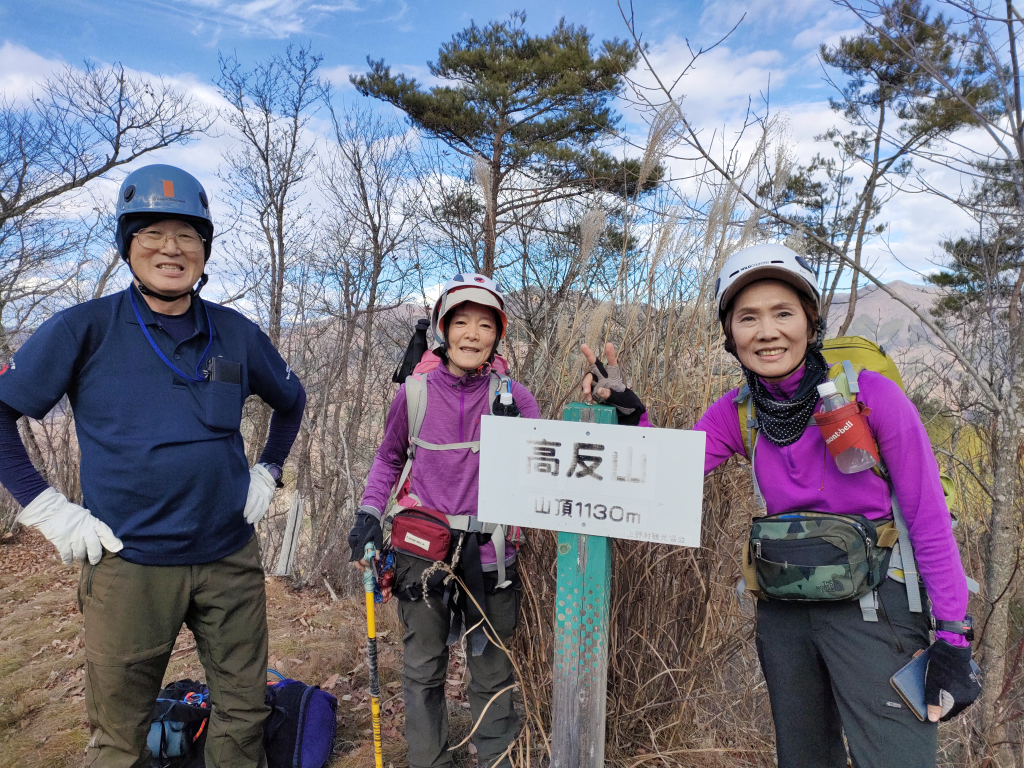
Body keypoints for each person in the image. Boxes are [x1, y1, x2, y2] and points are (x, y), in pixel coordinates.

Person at [581, 243, 980, 768]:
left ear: (810, 322)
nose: (767, 332)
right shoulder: (738, 411)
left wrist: (953, 634)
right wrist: (633, 411)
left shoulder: (873, 397)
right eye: (748, 317)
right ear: (730, 335)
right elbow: (669, 471)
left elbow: (928, 520)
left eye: (783, 313)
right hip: (784, 613)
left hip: (877, 607)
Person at [0, 164, 306, 768]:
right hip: (127, 564)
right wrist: (49, 511)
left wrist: (268, 471)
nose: (172, 248)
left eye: (188, 235)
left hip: (228, 558)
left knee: (244, 715)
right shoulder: (83, 329)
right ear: (127, 245)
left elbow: (292, 402)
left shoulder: (236, 334)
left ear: (204, 249)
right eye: (153, 234)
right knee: (119, 735)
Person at [349, 273, 540, 768]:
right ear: (442, 328)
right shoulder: (413, 394)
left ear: (498, 334)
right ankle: (428, 760)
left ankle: (498, 759)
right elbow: (389, 459)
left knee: (492, 667)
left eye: (484, 324)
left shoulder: (516, 400)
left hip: (491, 551)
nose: (472, 334)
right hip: (422, 548)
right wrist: (369, 514)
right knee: (423, 665)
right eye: (461, 322)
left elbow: (544, 467)